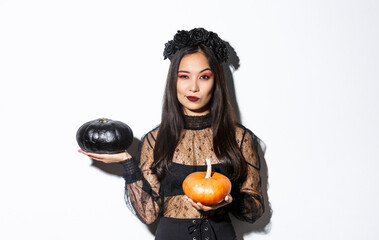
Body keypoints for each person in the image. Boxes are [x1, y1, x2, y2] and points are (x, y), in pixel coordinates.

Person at [79, 28, 264, 240]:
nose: (193, 87)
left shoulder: (239, 138)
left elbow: (255, 210)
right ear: (173, 81)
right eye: (184, 76)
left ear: (216, 82)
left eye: (204, 77)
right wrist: (128, 163)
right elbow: (149, 214)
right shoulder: (155, 140)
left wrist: (229, 199)